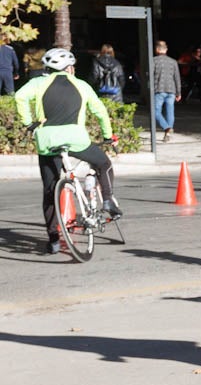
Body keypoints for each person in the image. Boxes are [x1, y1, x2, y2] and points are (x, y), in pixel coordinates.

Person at [14, 47, 121, 254]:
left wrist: (29, 123)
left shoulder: (37, 83)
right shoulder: (82, 85)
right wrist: (108, 136)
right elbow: (100, 111)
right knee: (103, 164)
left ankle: (54, 239)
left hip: (47, 141)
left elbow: (19, 97)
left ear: (47, 68)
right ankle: (107, 200)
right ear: (70, 68)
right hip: (76, 140)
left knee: (50, 189)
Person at [149, 40, 182, 142]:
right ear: (166, 50)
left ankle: (166, 127)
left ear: (157, 50)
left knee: (155, 112)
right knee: (170, 111)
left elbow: (150, 76)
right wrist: (178, 92)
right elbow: (177, 78)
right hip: (171, 90)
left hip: (159, 89)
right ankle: (167, 133)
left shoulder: (153, 61)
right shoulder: (173, 62)